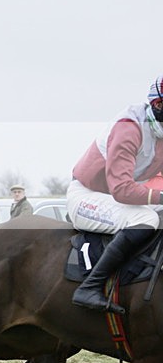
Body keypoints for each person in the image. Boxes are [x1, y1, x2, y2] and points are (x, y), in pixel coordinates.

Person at [67, 76, 163, 314]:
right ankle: (89, 287)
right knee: (146, 219)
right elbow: (122, 190)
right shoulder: (129, 128)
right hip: (87, 195)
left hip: (116, 198)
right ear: (158, 105)